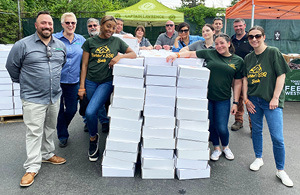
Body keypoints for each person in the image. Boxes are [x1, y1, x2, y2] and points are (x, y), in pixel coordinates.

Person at [6, 11, 67, 187]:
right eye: (43, 23)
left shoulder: (59, 45)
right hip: (33, 98)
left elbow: (61, 64)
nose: (47, 26)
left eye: (49, 24)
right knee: (34, 132)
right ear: (36, 25)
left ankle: (47, 154)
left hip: (54, 95)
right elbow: (12, 67)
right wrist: (26, 82)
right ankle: (32, 167)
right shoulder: (22, 45)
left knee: (50, 127)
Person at [167, 33, 244, 161]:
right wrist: (177, 55)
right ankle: (216, 148)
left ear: (229, 44)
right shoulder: (210, 53)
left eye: (222, 43)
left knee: (222, 127)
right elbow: (191, 53)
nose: (219, 46)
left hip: (223, 98)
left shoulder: (237, 60)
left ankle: (225, 146)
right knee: (211, 124)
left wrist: (235, 102)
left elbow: (237, 83)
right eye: (217, 44)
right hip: (206, 97)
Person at [78, 15, 137, 162]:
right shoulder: (90, 42)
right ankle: (94, 133)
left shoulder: (116, 41)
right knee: (94, 110)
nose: (110, 30)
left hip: (106, 82)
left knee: (90, 111)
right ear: (101, 25)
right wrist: (81, 86)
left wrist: (119, 57)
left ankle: (93, 139)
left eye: (113, 27)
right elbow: (84, 65)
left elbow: (133, 54)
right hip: (91, 81)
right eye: (108, 26)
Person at [243, 26, 293, 187]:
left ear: (264, 37)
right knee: (256, 131)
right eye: (251, 37)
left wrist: (275, 98)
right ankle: (258, 158)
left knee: (277, 137)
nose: (254, 39)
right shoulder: (249, 58)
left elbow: (281, 75)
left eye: (257, 36)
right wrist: (246, 99)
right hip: (254, 100)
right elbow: (245, 80)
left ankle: (280, 170)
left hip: (271, 101)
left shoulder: (272, 52)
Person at [53, 12, 86, 148]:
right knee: (59, 110)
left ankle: (62, 127)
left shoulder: (81, 40)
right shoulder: (54, 39)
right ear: (62, 24)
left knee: (72, 109)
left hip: (74, 81)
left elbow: (85, 61)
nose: (70, 25)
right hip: (57, 81)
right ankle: (63, 135)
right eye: (67, 23)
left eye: (73, 23)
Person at [82, 18, 108, 133]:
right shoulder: (86, 42)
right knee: (88, 101)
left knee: (99, 101)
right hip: (89, 78)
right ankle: (88, 122)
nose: (92, 27)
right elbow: (84, 64)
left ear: (99, 27)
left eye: (95, 25)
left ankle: (103, 121)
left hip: (104, 78)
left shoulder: (107, 40)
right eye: (90, 26)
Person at [231, 18, 253, 131]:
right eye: (236, 26)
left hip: (250, 74)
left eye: (240, 26)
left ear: (245, 25)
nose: (238, 28)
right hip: (236, 74)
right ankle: (238, 120)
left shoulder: (251, 38)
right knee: (238, 98)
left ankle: (253, 124)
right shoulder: (231, 40)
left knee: (250, 98)